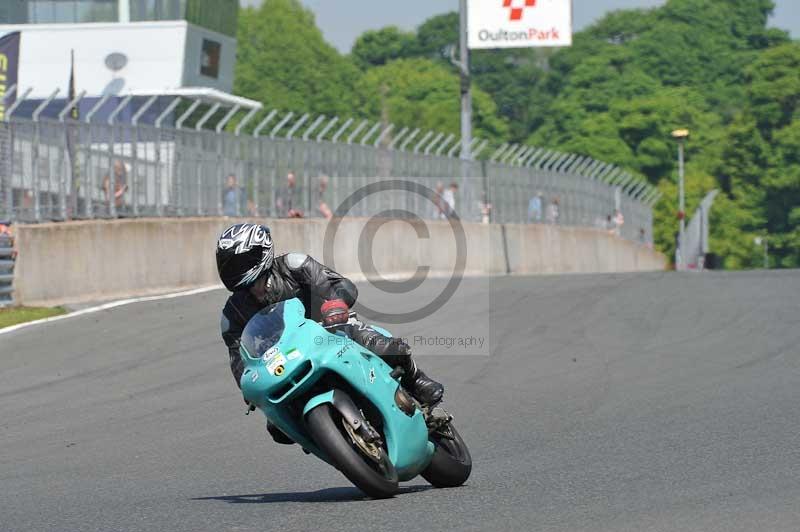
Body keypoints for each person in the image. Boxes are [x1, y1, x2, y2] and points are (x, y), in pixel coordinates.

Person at [217, 223, 445, 444]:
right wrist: (248, 386)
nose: (236, 272)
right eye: (230, 266)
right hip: (285, 360)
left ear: (260, 252)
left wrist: (335, 304)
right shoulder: (232, 314)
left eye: (240, 263)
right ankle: (329, 439)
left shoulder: (294, 265)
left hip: (332, 332)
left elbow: (342, 285)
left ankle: (416, 380)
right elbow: (239, 360)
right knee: (278, 426)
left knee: (384, 347)